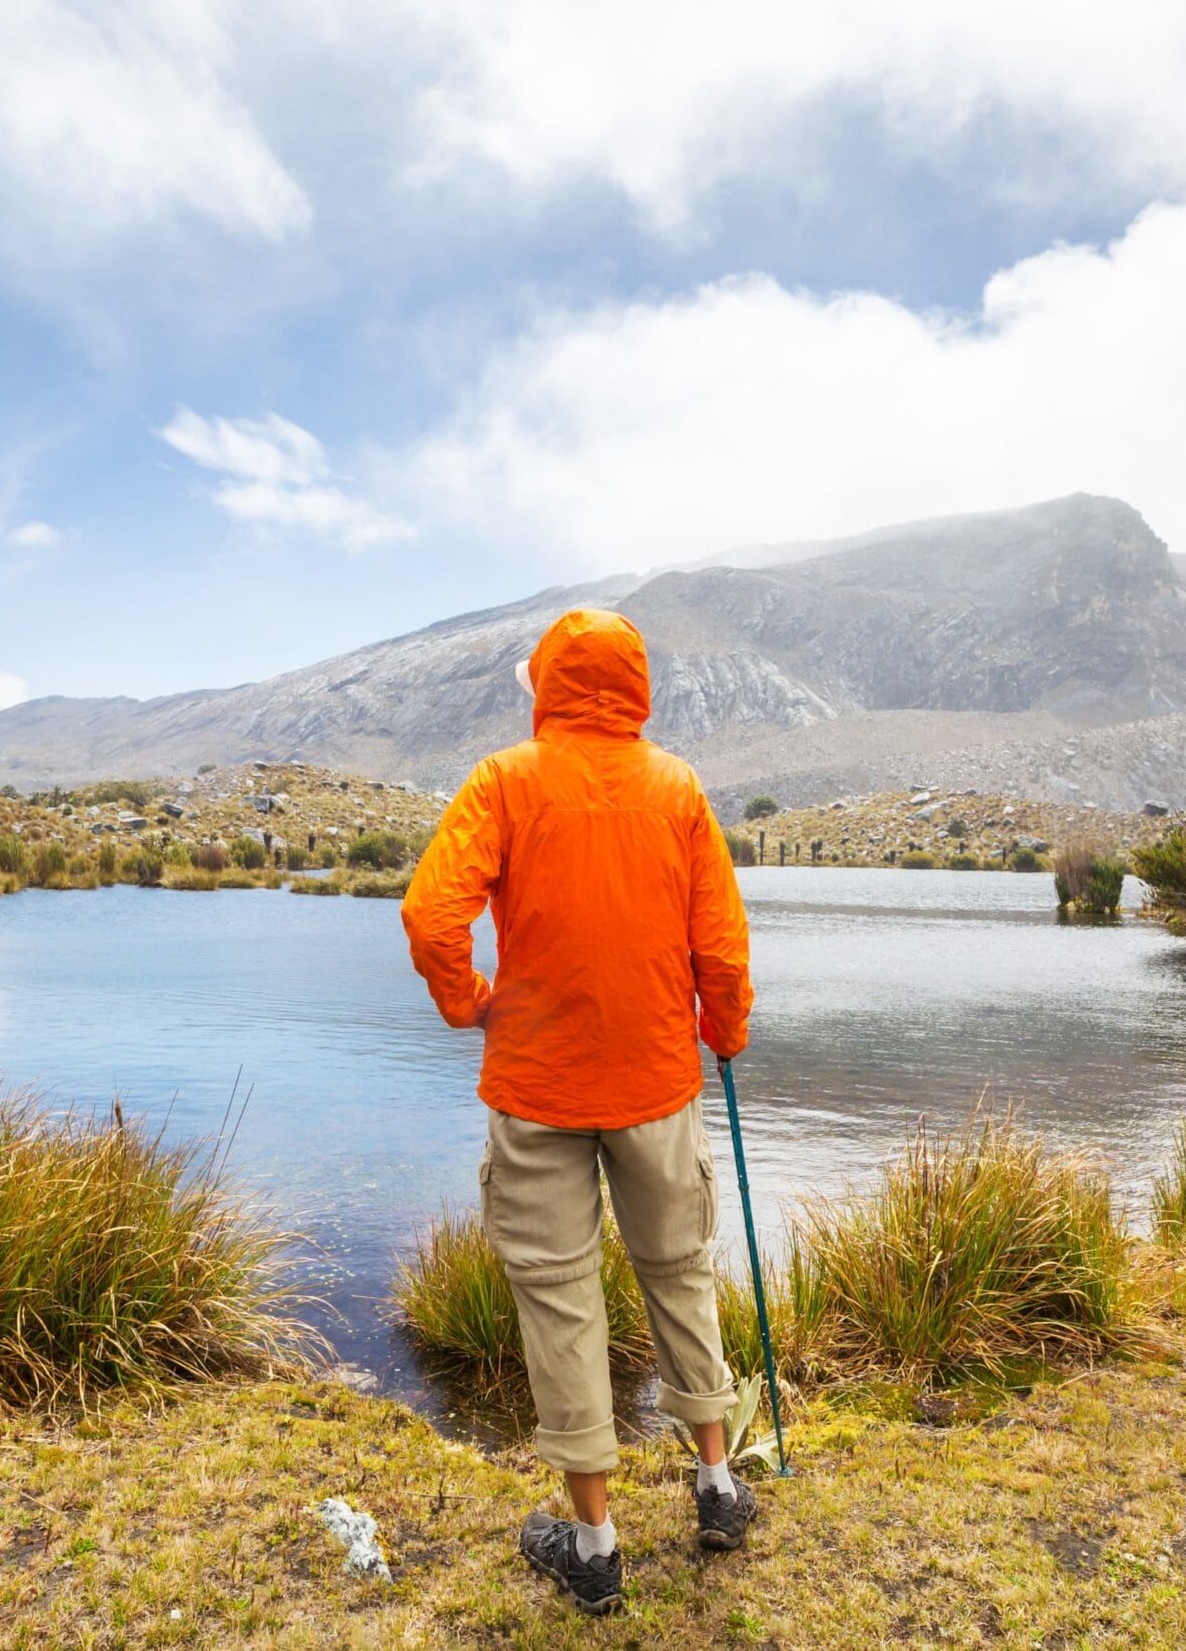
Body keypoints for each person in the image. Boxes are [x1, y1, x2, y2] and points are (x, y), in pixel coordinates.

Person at [400, 607, 757, 1617]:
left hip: (539, 1085)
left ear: (546, 687)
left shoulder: (507, 781)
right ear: (635, 687)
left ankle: (593, 1542)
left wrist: (471, 1003)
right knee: (678, 1274)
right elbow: (720, 948)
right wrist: (722, 1028)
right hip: (655, 1083)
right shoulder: (677, 788)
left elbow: (432, 916)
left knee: (559, 1298)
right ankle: (716, 1485)